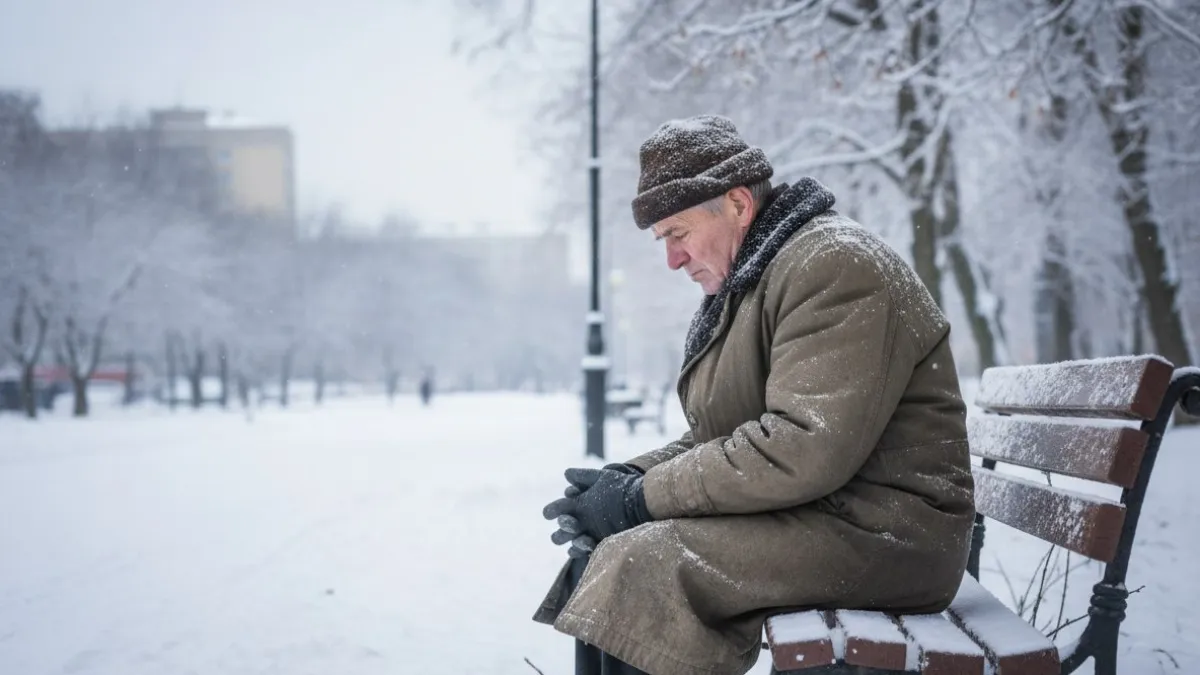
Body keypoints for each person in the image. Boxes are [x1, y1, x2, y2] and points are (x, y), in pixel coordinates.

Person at [534, 115, 975, 675]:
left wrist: (639, 499)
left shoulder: (833, 266)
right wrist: (625, 479)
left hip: (890, 534)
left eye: (678, 233)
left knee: (650, 563)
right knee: (611, 550)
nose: (671, 259)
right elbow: (722, 434)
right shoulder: (759, 278)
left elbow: (800, 445)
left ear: (739, 205)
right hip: (829, 516)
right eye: (662, 240)